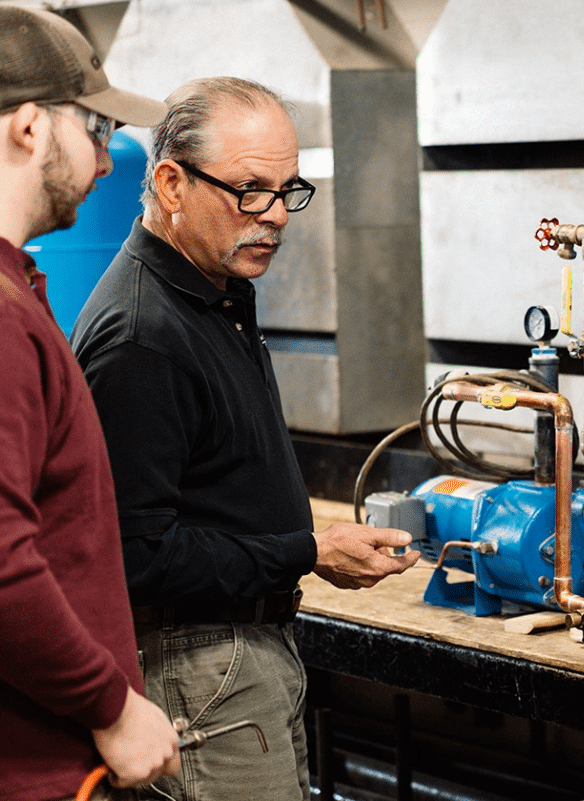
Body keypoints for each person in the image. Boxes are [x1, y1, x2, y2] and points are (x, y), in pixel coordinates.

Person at [71, 76, 422, 801]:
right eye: (249, 190)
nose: (274, 216)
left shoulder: (211, 293)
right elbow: (136, 557)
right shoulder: (144, 335)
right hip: (199, 671)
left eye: (287, 190)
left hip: (244, 658)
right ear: (171, 183)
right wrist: (308, 549)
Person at [0, 7, 182, 801]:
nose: (108, 164)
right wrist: (110, 705)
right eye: (97, 128)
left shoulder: (18, 295)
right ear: (32, 128)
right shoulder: (2, 320)